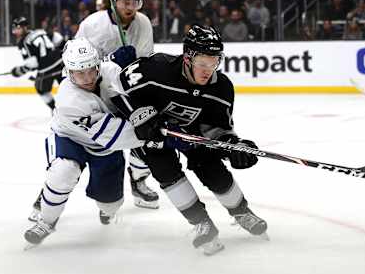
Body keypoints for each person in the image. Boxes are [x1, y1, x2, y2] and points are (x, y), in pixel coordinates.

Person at [110, 24, 268, 255]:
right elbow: (114, 89)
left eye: (214, 62)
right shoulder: (155, 69)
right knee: (167, 172)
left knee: (213, 169)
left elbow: (218, 129)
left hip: (192, 135)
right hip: (154, 135)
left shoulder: (221, 88)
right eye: (202, 62)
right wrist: (138, 115)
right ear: (187, 57)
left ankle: (241, 211)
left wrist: (233, 146)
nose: (208, 70)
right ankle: (200, 222)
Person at [24, 38, 149, 246]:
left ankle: (107, 208)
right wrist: (151, 133)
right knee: (63, 172)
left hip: (104, 144)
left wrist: (132, 69)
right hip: (70, 138)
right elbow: (116, 135)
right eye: (80, 73)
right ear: (69, 72)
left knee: (110, 204)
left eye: (91, 69)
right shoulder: (69, 100)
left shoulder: (110, 70)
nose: (88, 77)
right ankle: (46, 221)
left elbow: (136, 88)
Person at [75, 0, 159, 208]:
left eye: (135, 1)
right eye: (125, 1)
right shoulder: (92, 25)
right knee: (78, 146)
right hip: (95, 94)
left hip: (126, 92)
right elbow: (76, 65)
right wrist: (111, 61)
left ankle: (139, 181)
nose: (130, 6)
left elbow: (145, 66)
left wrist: (132, 65)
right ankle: (49, 195)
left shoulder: (143, 24)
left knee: (149, 130)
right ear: (113, 0)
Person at [11, 17, 63, 111]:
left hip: (46, 68)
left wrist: (19, 71)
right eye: (15, 28)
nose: (16, 31)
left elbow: (33, 63)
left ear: (25, 27)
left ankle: (56, 111)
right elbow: (58, 38)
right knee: (66, 86)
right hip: (60, 62)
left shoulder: (24, 42)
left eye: (19, 28)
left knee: (41, 89)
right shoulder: (40, 31)